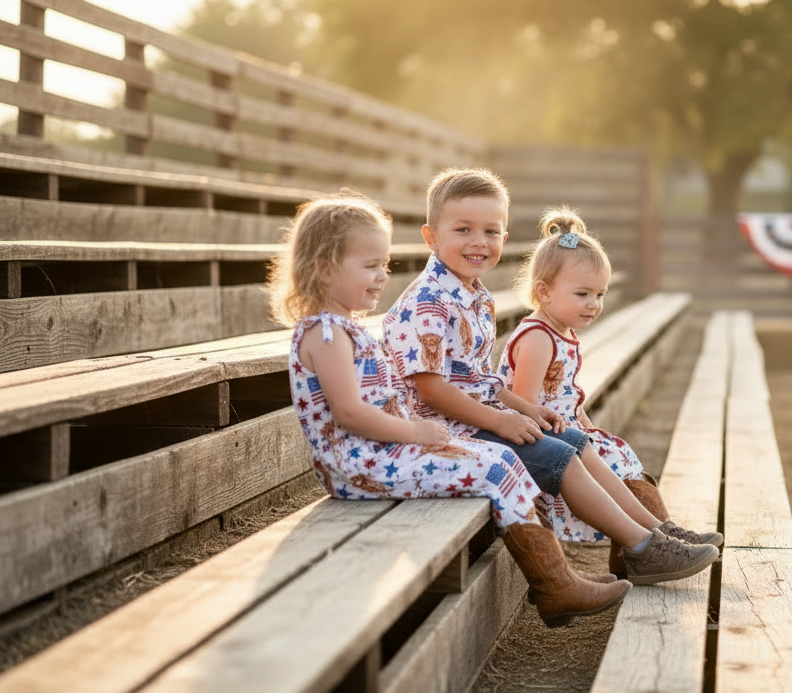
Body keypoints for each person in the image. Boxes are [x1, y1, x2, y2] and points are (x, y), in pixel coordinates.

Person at [268, 189, 630, 628]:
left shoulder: (344, 328)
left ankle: (558, 583)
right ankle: (557, 585)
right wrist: (416, 432)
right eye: (370, 266)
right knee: (496, 465)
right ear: (323, 267)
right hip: (359, 463)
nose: (383, 276)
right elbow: (349, 413)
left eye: (384, 265)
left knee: (500, 458)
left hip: (382, 450)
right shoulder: (324, 334)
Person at [383, 168, 719, 587]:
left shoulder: (475, 295)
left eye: (491, 231)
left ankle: (656, 532)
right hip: (445, 431)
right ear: (431, 237)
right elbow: (429, 389)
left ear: (504, 239)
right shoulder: (429, 302)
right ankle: (641, 548)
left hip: (476, 419)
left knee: (577, 440)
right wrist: (501, 420)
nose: (479, 241)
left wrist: (524, 408)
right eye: (463, 229)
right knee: (557, 455)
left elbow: (482, 380)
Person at [500, 206, 724, 577]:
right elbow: (525, 405)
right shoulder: (538, 337)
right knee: (610, 458)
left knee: (616, 450)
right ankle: (653, 539)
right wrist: (576, 431)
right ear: (544, 292)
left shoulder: (563, 332)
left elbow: (567, 393)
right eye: (583, 293)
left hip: (565, 430)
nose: (594, 304)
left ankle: (660, 533)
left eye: (600, 294)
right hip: (539, 435)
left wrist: (586, 424)